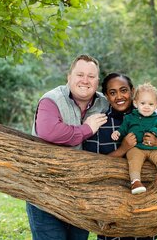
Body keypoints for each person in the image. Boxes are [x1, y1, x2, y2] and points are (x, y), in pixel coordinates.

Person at [26, 54, 109, 240]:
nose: (85, 81)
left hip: (82, 196)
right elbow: (50, 132)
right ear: (69, 77)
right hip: (45, 192)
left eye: (91, 76)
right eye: (80, 74)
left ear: (97, 81)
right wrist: (86, 129)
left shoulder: (104, 103)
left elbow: (136, 108)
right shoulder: (51, 100)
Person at [83, 73, 157, 240]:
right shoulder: (99, 124)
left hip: (145, 204)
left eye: (123, 90)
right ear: (106, 96)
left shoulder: (151, 117)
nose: (119, 96)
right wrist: (123, 148)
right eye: (112, 92)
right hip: (111, 207)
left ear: (132, 92)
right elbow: (92, 169)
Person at [111, 82, 157, 195]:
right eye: (143, 103)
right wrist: (117, 133)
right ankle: (136, 182)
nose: (147, 106)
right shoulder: (129, 118)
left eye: (151, 104)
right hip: (136, 148)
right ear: (135, 103)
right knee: (134, 161)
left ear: (156, 106)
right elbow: (123, 129)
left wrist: (155, 132)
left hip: (153, 147)